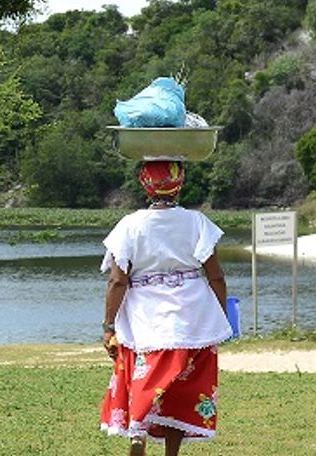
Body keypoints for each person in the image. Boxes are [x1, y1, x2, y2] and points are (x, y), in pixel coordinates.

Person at [99, 159, 233, 455]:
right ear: (180, 183)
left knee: (142, 375)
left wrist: (108, 326)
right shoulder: (197, 222)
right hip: (191, 317)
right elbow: (216, 276)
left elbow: (117, 281)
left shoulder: (130, 225)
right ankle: (171, 453)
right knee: (181, 389)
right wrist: (221, 317)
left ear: (144, 184)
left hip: (143, 317)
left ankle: (138, 435)